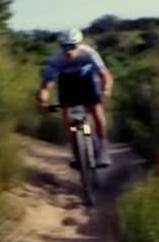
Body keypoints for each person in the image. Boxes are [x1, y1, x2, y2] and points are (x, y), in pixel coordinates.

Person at [37, 28, 113, 167]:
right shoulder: (55, 59)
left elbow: (105, 75)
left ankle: (102, 148)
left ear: (79, 44)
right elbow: (46, 85)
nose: (68, 50)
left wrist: (106, 90)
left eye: (72, 46)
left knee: (96, 110)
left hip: (88, 81)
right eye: (64, 46)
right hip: (68, 83)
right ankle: (75, 152)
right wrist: (43, 100)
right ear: (60, 46)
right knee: (66, 114)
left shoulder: (89, 53)